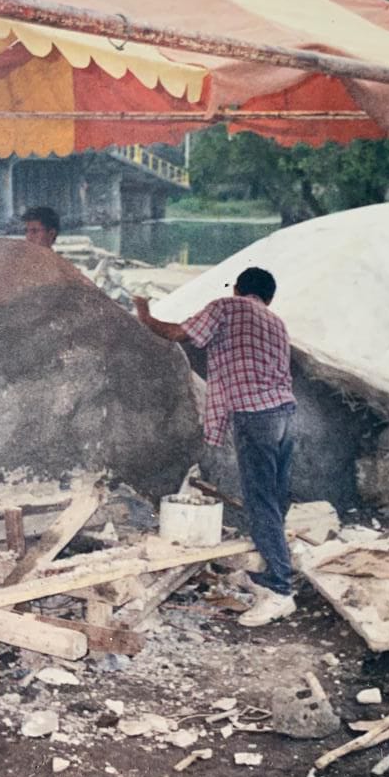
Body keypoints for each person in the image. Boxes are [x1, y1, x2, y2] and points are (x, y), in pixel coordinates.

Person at [134, 267, 298, 627]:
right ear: (269, 297)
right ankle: (274, 567)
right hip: (285, 413)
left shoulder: (228, 307)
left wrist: (144, 315)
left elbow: (178, 333)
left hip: (256, 415)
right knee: (275, 496)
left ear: (238, 289)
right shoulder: (276, 322)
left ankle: (280, 590)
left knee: (260, 501)